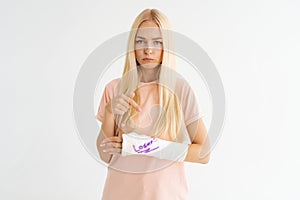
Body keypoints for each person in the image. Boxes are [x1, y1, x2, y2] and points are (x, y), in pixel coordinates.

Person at [96, 8, 210, 200]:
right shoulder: (114, 89)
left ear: (166, 47)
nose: (148, 50)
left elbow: (203, 154)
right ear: (132, 45)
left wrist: (142, 145)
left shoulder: (179, 89)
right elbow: (105, 155)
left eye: (157, 42)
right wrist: (109, 112)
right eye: (141, 41)